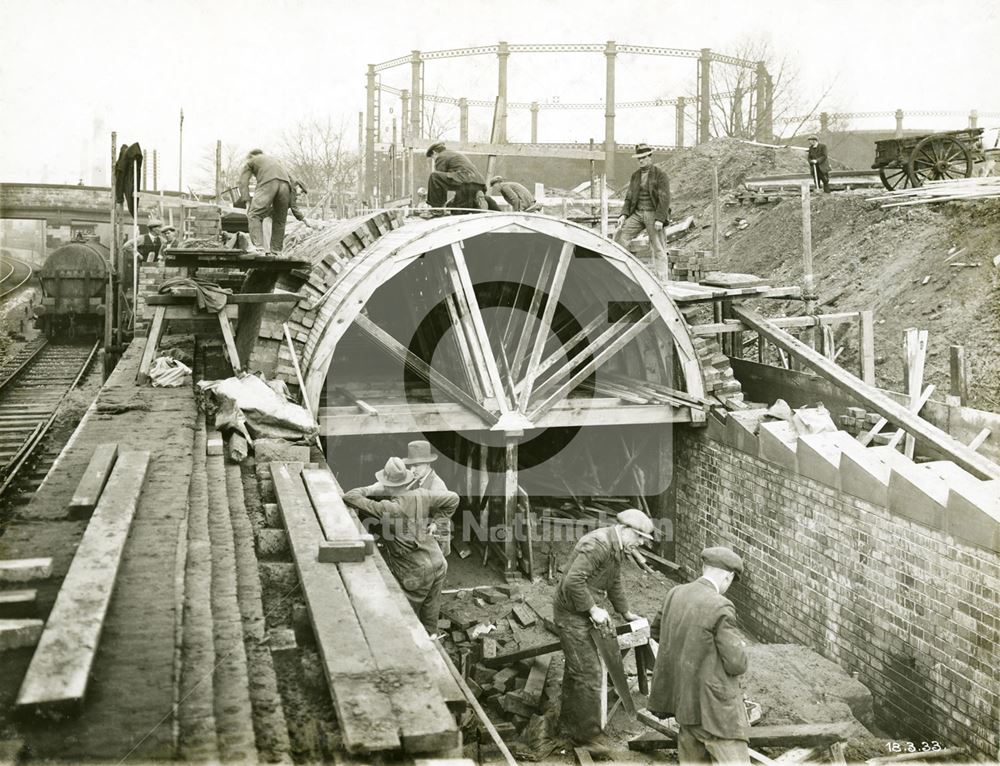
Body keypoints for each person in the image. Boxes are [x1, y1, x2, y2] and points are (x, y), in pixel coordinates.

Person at [552, 508, 654, 748]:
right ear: (626, 530)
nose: (639, 544)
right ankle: (587, 737)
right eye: (639, 537)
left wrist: (625, 612)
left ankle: (569, 724)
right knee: (589, 672)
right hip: (571, 614)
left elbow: (614, 581)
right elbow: (572, 581)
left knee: (578, 668)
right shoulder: (598, 544)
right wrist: (593, 609)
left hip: (583, 609)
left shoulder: (615, 546)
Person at [647, 547, 750, 766]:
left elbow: (656, 632)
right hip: (716, 714)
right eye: (731, 581)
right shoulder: (720, 605)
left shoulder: (675, 593)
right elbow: (736, 664)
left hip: (684, 706)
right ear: (728, 576)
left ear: (704, 568)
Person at [342, 457, 459, 635]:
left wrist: (373, 488)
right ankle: (432, 637)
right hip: (438, 561)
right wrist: (438, 522)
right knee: (431, 606)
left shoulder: (387, 508)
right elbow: (453, 499)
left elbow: (350, 496)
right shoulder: (422, 494)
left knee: (405, 614)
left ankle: (412, 647)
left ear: (387, 485)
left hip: (415, 570)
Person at [614, 143, 670, 263]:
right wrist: (623, 215)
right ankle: (622, 273)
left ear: (650, 157)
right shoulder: (635, 176)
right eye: (639, 158)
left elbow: (664, 199)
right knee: (620, 239)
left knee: (658, 248)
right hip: (637, 214)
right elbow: (629, 197)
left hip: (653, 214)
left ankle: (662, 280)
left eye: (644, 157)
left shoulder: (660, 175)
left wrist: (660, 218)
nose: (641, 161)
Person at [402, 440, 454, 556]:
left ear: (428, 464)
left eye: (416, 466)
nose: (412, 470)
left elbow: (448, 508)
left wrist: (435, 524)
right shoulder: (418, 480)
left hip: (436, 537)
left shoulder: (437, 486)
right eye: (411, 466)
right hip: (422, 533)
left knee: (434, 570)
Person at [237, 149, 293, 255]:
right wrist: (291, 202)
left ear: (251, 156)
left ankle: (258, 248)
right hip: (286, 185)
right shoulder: (277, 161)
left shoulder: (251, 160)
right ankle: (276, 251)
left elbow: (243, 181)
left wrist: (247, 201)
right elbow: (293, 180)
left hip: (269, 183)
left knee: (253, 214)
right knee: (280, 220)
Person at [425, 142, 496, 214]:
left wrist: (439, 205)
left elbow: (439, 183)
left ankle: (436, 209)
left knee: (434, 177)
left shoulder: (442, 156)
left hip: (464, 181)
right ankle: (477, 204)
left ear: (434, 152)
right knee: (458, 208)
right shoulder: (454, 154)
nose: (434, 160)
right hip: (478, 184)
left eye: (433, 158)